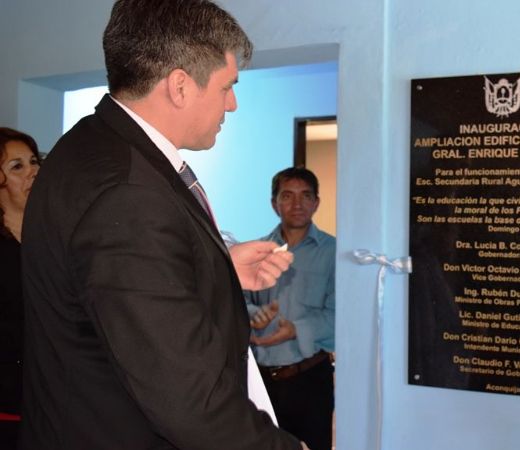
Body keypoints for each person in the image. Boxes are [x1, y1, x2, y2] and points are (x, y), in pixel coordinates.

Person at [19, 1, 306, 449]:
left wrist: (219, 267)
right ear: (179, 86)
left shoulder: (91, 147)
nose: (232, 103)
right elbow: (187, 398)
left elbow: (113, 295)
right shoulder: (126, 192)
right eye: (227, 86)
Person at [246, 167, 335, 450]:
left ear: (316, 202)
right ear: (275, 204)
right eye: (287, 196)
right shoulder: (257, 251)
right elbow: (240, 300)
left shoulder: (334, 252)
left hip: (309, 379)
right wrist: (254, 317)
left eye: (305, 196)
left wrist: (295, 330)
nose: (297, 204)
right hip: (261, 381)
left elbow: (341, 316)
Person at [0, 127, 40, 447]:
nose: (33, 172)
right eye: (17, 167)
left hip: (53, 403)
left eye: (33, 161)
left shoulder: (54, 239)